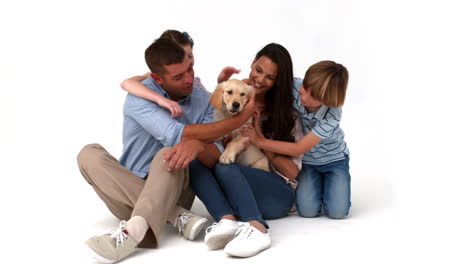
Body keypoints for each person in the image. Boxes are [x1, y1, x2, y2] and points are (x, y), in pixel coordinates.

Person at [77, 37, 255, 263]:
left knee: (167, 152)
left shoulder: (204, 99)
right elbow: (175, 133)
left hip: (177, 189)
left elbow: (213, 157)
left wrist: (199, 144)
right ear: (157, 79)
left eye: (190, 69)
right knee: (88, 153)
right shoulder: (138, 98)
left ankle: (131, 233)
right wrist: (239, 120)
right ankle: (178, 216)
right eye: (178, 77)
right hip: (125, 197)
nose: (189, 79)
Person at [190, 43, 303, 257]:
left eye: (270, 77)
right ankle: (227, 221)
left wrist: (260, 140)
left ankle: (258, 228)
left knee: (225, 167)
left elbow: (292, 172)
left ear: (278, 81)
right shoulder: (239, 95)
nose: (260, 79)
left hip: (277, 193)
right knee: (196, 162)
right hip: (240, 186)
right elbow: (219, 100)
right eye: (258, 70)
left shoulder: (288, 115)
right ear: (252, 65)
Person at [242, 60, 351, 220]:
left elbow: (298, 148)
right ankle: (319, 185)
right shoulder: (294, 86)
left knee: (337, 212)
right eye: (305, 88)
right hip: (308, 163)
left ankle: (331, 183)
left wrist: (260, 141)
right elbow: (256, 83)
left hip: (333, 160)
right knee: (307, 211)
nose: (304, 97)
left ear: (327, 100)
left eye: (313, 96)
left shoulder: (332, 114)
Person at [120, 30, 239, 117]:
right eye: (181, 56)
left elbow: (211, 106)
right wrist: (160, 99)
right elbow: (127, 83)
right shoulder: (154, 79)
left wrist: (221, 84)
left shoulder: (195, 82)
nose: (188, 60)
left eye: (190, 56)